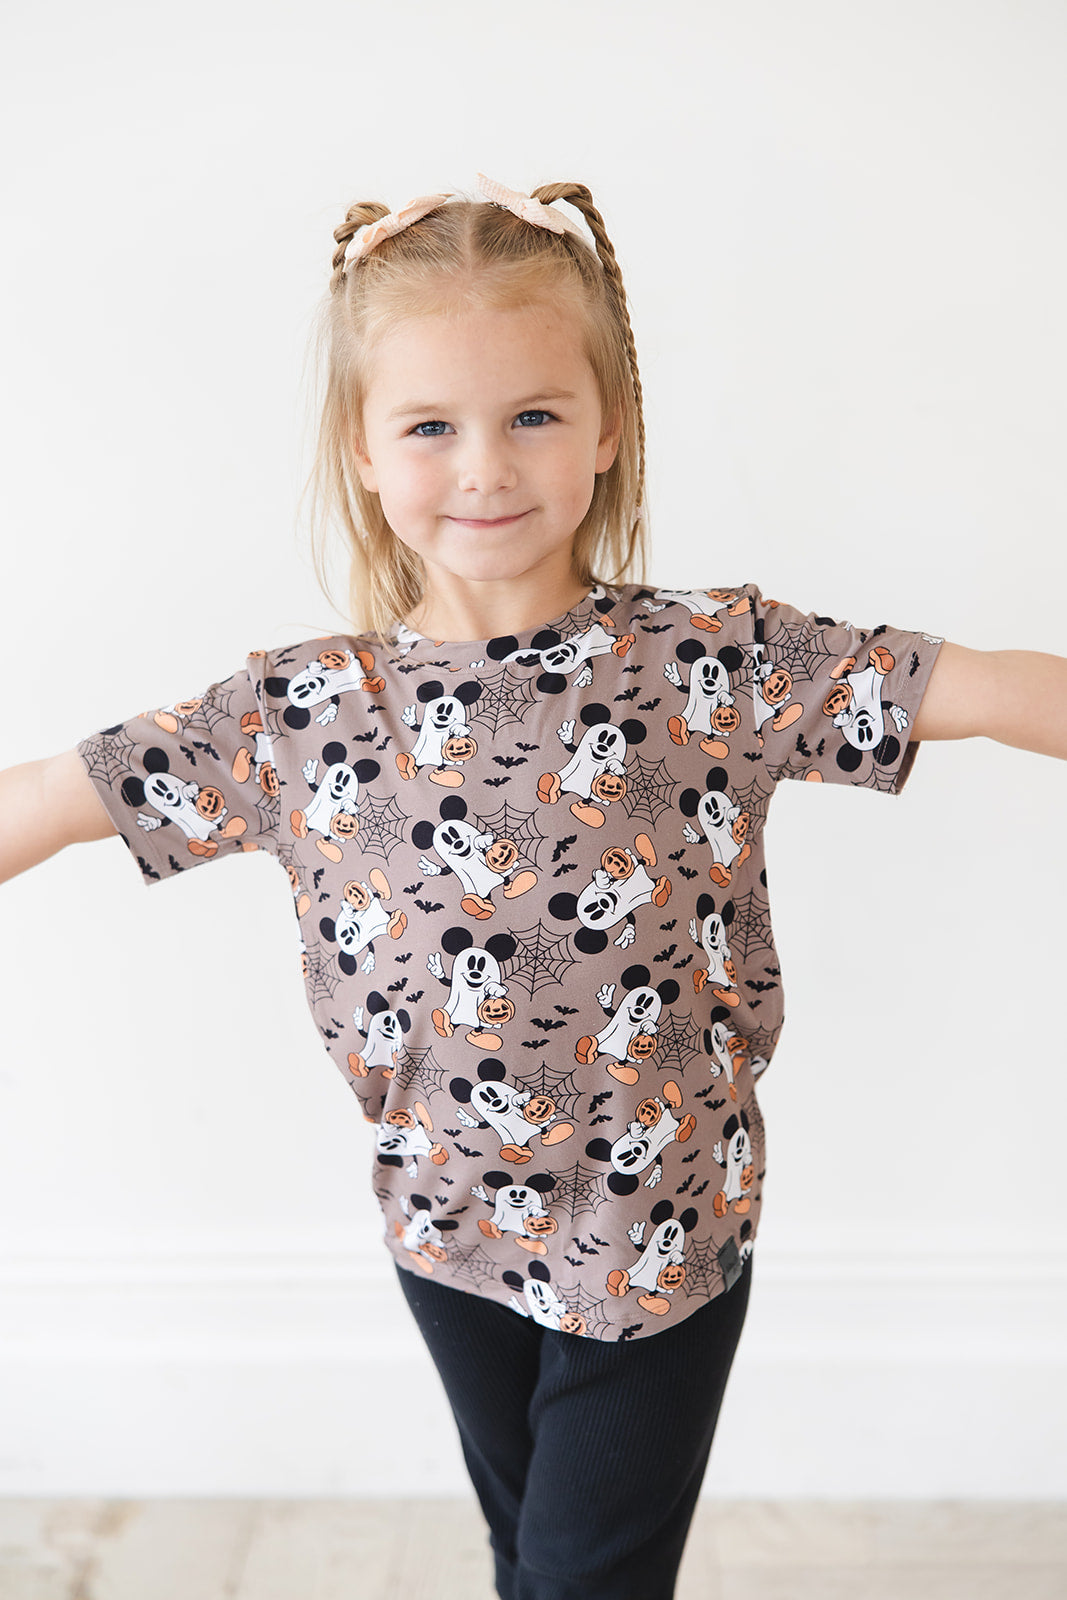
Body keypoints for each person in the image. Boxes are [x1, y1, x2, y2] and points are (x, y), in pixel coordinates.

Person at [1, 172, 1064, 1600]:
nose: (486, 467)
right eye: (431, 426)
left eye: (535, 417)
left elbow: (980, 687)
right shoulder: (294, 714)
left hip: (658, 1231)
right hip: (443, 1228)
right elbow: (55, 798)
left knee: (581, 1580)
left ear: (609, 426)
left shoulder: (716, 664)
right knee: (531, 1559)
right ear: (363, 449)